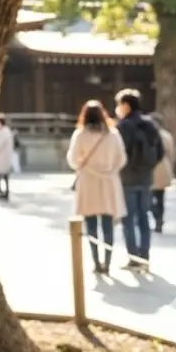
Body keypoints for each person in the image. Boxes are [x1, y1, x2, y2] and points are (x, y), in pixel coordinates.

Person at [66, 100, 127, 275]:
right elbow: (121, 158)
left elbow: (72, 159)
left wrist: (84, 166)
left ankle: (95, 262)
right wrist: (111, 169)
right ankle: (107, 262)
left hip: (88, 181)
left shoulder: (80, 134)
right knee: (108, 225)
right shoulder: (113, 134)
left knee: (91, 225)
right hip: (108, 181)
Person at [113, 88, 164, 271]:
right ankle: (145, 256)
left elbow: (117, 154)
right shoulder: (150, 124)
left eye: (119, 104)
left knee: (128, 219)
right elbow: (160, 152)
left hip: (127, 179)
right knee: (144, 218)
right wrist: (148, 168)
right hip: (146, 178)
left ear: (126, 105)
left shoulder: (123, 126)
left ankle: (134, 257)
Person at [148, 111, 175, 233]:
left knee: (149, 198)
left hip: (151, 167)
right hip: (163, 166)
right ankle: (160, 218)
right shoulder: (166, 135)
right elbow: (170, 154)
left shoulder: (147, 134)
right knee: (160, 197)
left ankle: (157, 216)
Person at [0, 113, 16, 200]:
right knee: (4, 174)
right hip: (3, 156)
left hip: (2, 157)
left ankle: (3, 192)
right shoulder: (5, 131)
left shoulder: (3, 132)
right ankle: (4, 192)